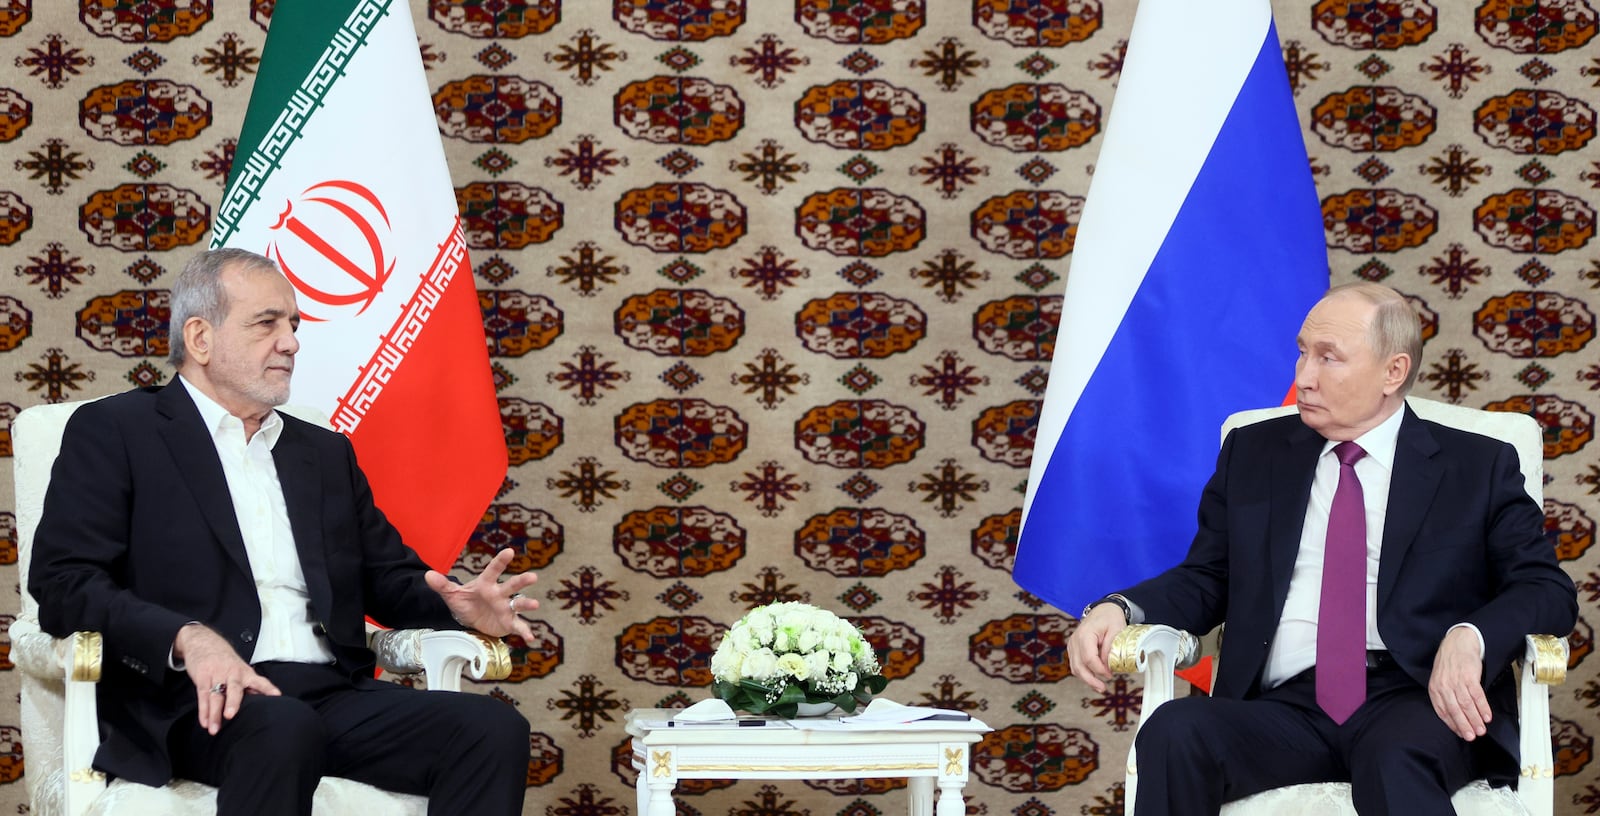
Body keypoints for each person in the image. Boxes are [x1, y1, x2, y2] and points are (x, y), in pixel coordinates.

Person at [29, 247, 536, 816]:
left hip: (327, 693)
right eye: (267, 323)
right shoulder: (117, 431)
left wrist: (461, 608)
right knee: (283, 728)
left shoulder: (320, 451)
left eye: (293, 325)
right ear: (200, 338)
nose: (291, 341)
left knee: (492, 729)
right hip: (194, 702)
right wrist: (185, 637)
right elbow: (63, 582)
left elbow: (385, 576)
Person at [1066, 282, 1577, 816]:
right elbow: (1208, 577)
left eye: (1328, 358)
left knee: (1394, 756)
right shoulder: (1255, 452)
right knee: (1174, 731)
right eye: (1302, 352)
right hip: (1286, 707)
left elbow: (1547, 590)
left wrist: (1471, 638)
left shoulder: (1477, 466)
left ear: (1392, 372)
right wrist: (1119, 608)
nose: (1303, 377)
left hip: (1416, 699)